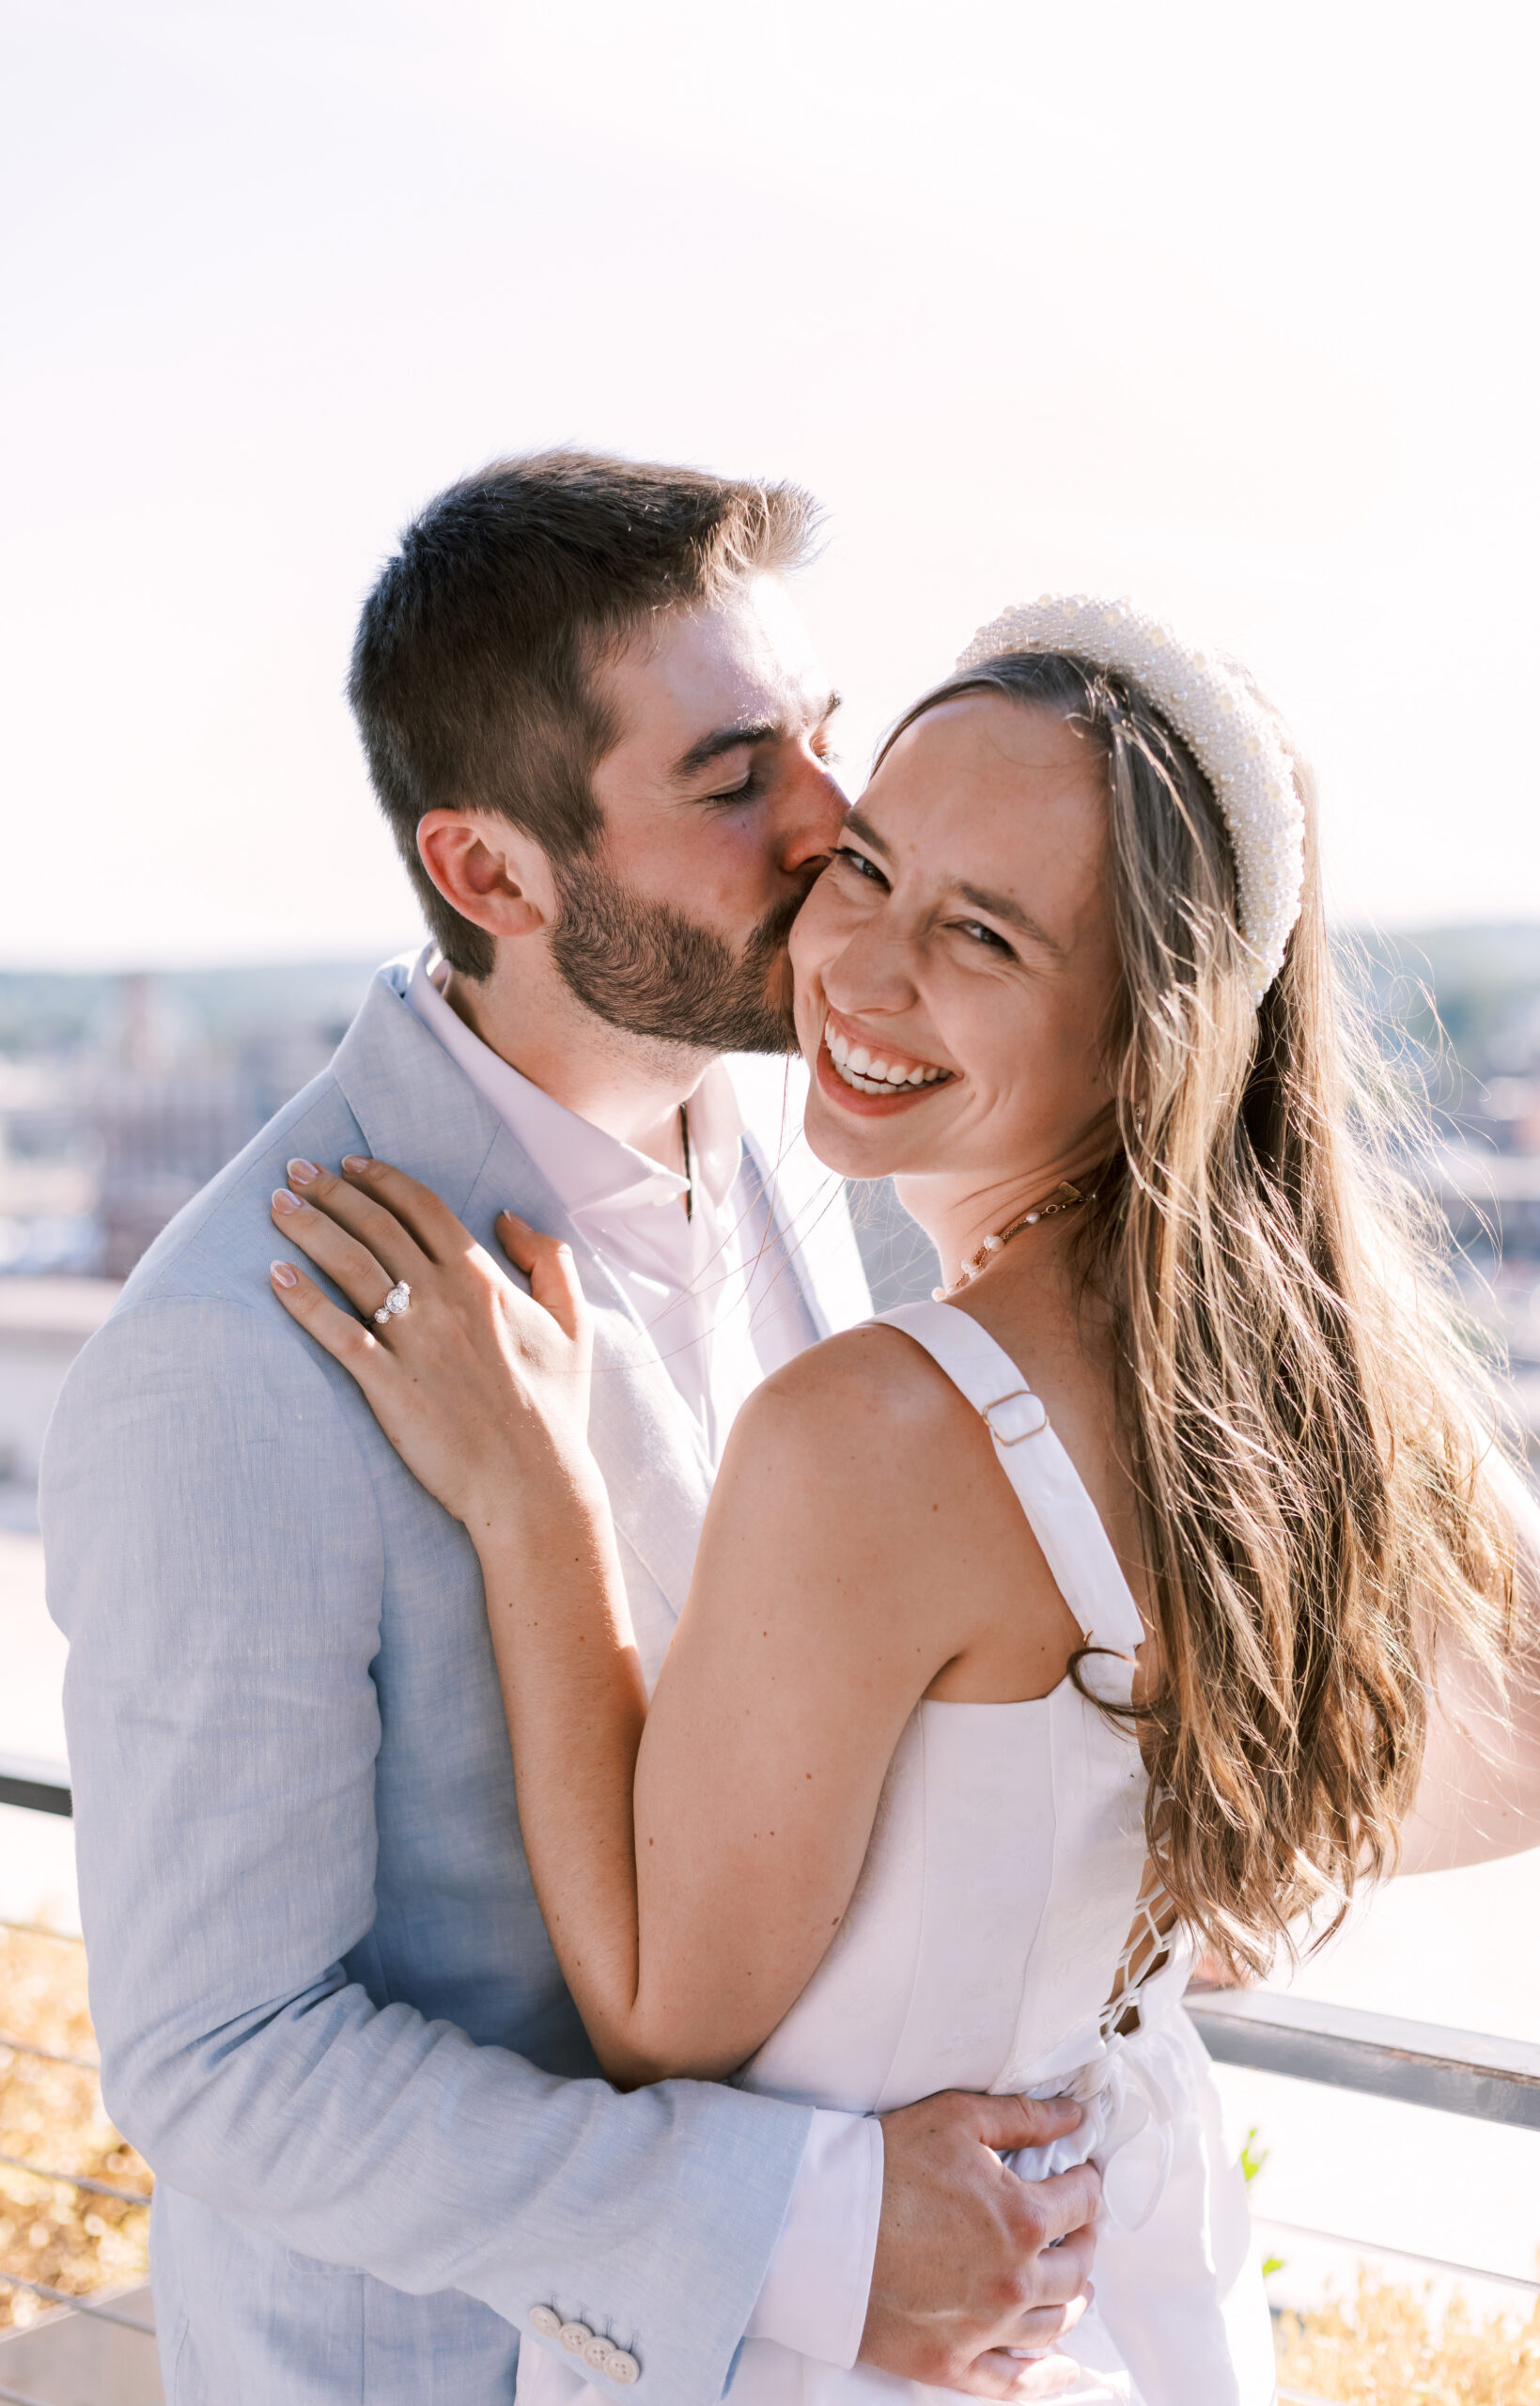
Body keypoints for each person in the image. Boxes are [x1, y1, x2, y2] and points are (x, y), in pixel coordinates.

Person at [268, 594, 1540, 2405]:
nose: (863, 971)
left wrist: (532, 1492)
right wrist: (1154, 1923)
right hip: (1110, 2307)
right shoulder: (1279, 1358)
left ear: (1151, 1029)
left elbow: (668, 2008)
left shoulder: (880, 1427)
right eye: (869, 868)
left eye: (984, 935)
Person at [40, 459, 1104, 2406]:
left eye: (819, 738)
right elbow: (224, 2056)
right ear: (490, 872)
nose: (829, 824)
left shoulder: (797, 1125)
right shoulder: (221, 1362)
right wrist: (820, 2228)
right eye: (727, 779)